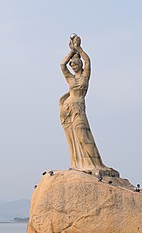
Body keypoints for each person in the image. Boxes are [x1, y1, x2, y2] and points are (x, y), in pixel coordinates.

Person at [59, 34, 112, 175]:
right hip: (68, 109)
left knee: (84, 135)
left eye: (75, 63)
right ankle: (79, 164)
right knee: (74, 138)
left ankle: (94, 164)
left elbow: (88, 61)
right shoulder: (70, 77)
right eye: (72, 64)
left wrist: (79, 49)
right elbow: (62, 65)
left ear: (80, 64)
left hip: (79, 108)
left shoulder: (85, 76)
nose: (73, 65)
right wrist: (71, 52)